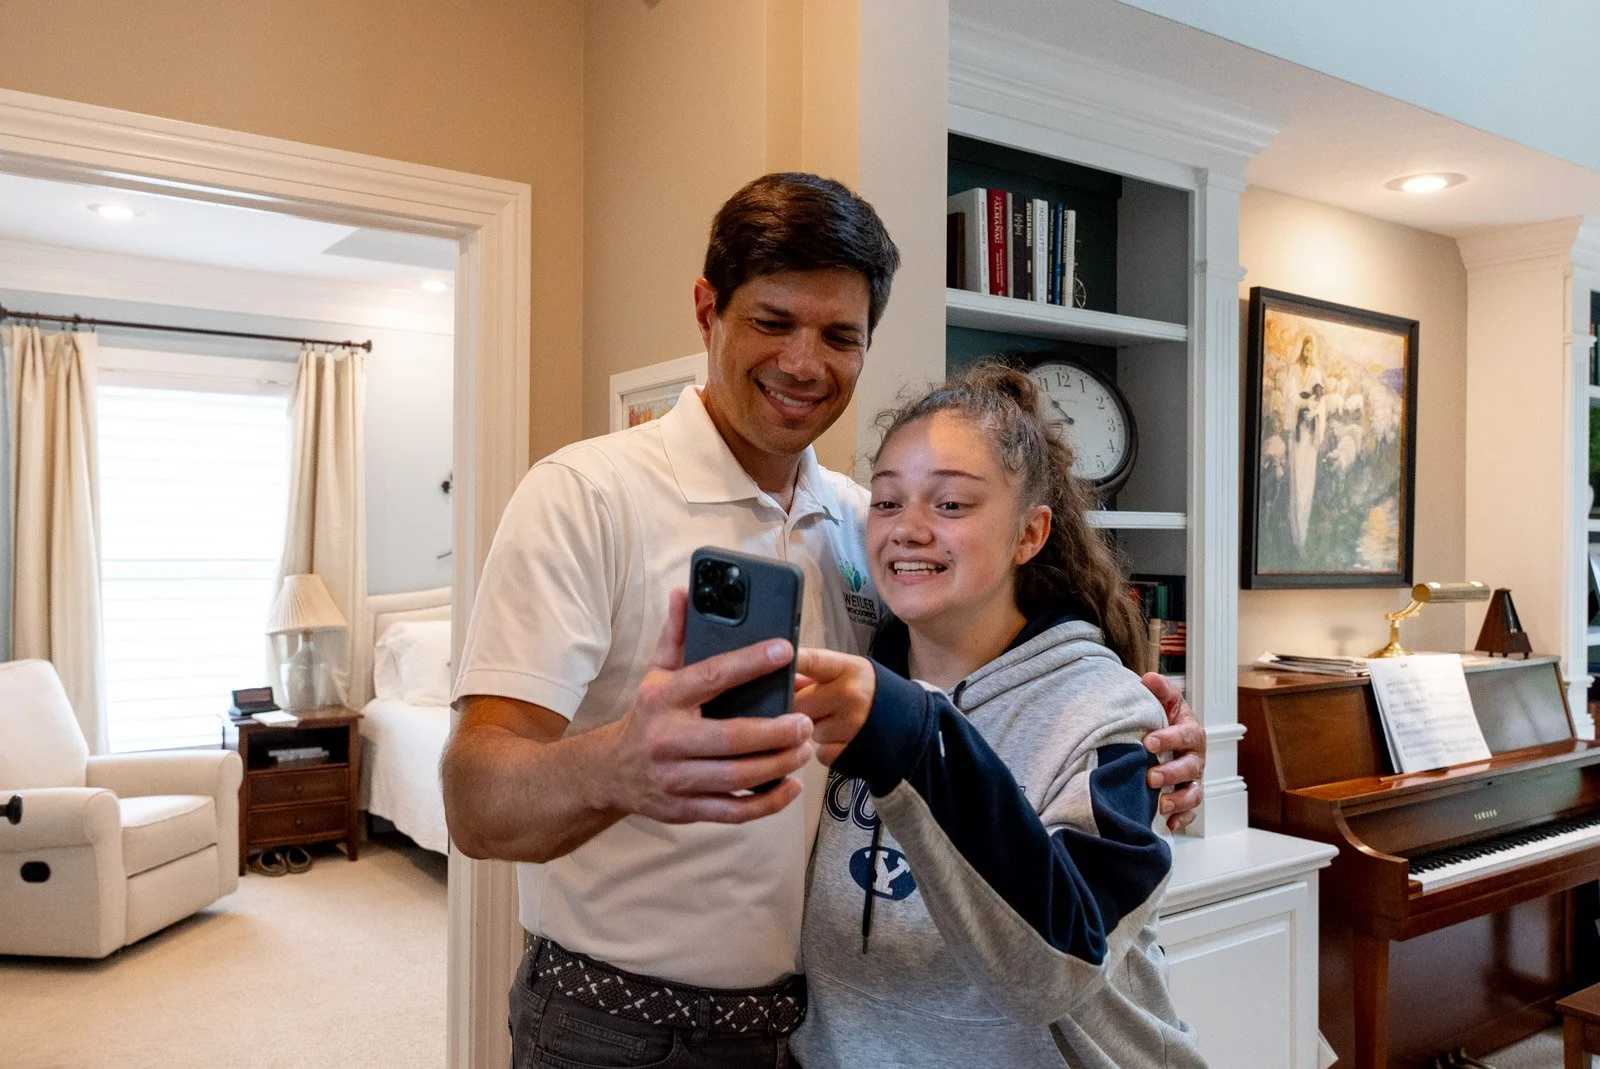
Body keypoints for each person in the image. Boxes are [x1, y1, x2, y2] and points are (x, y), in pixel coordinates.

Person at [441, 172, 1207, 1069]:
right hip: (622, 1027)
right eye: (773, 322)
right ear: (708, 312)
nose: (805, 363)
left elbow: (983, 673)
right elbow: (475, 801)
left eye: (840, 335)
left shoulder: (861, 523)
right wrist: (620, 765)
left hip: (815, 1033)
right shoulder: (584, 496)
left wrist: (1146, 741)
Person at [789, 363, 1205, 1068]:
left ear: (1029, 533)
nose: (908, 529)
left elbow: (1057, 970)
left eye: (951, 504)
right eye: (886, 502)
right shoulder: (850, 677)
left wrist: (911, 738)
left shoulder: (1110, 715)